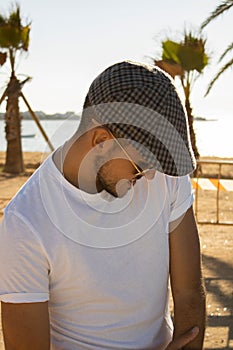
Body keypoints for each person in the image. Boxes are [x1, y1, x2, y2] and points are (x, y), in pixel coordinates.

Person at [0, 60, 206, 349]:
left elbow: (189, 295)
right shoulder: (25, 224)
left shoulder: (163, 175)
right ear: (100, 140)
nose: (149, 175)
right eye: (140, 164)